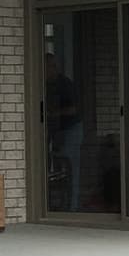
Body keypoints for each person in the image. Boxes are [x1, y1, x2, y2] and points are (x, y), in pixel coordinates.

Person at [44, 52, 83, 210]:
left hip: (71, 129)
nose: (47, 71)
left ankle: (72, 208)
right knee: (53, 165)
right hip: (56, 130)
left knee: (71, 167)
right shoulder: (45, 85)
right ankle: (51, 205)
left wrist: (53, 113)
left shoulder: (65, 84)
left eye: (49, 67)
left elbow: (74, 109)